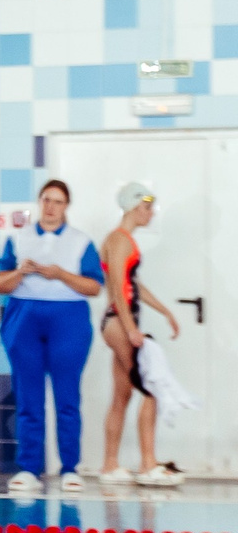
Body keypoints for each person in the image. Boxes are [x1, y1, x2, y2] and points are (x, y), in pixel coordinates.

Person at [0, 178, 102, 496]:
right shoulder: (19, 237)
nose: (51, 206)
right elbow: (1, 285)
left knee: (67, 397)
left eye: (58, 201)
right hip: (24, 318)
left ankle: (70, 468)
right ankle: (29, 468)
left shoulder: (81, 242)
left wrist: (61, 274)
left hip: (68, 320)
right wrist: (21, 272)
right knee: (29, 397)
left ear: (66, 206)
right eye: (46, 200)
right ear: (40, 203)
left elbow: (94, 287)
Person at [96, 180, 183, 487]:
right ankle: (148, 465)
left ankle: (110, 466)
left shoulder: (123, 241)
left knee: (122, 394)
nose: (151, 213)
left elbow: (134, 285)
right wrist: (132, 328)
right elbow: (118, 287)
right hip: (120, 322)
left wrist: (165, 311)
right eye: (147, 207)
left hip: (117, 321)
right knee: (151, 387)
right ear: (134, 206)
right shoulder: (120, 240)